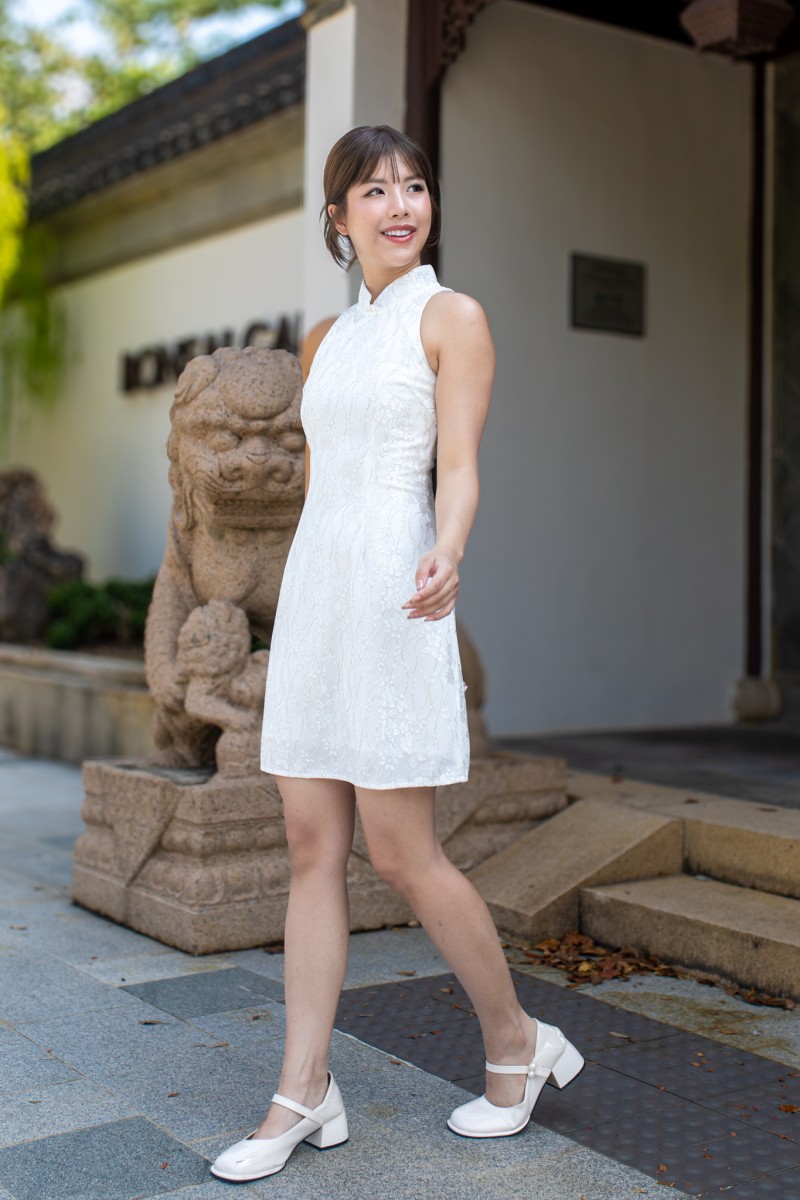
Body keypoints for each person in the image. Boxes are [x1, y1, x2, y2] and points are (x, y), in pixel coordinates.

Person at [210, 124, 583, 1184]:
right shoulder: (324, 338)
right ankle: (303, 1090)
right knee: (307, 847)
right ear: (337, 217)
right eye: (372, 190)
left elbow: (457, 465)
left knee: (403, 853)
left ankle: (515, 1041)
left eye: (412, 185)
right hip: (317, 599)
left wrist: (448, 548)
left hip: (394, 595)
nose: (398, 203)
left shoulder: (450, 316)